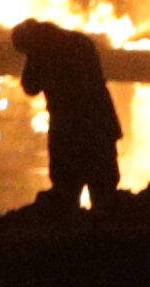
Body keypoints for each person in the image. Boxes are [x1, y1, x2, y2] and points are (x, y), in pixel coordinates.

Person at [16, 18, 119, 207]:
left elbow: (30, 86)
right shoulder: (81, 41)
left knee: (66, 193)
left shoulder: (42, 51)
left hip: (68, 132)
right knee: (105, 195)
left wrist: (33, 57)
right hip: (100, 126)